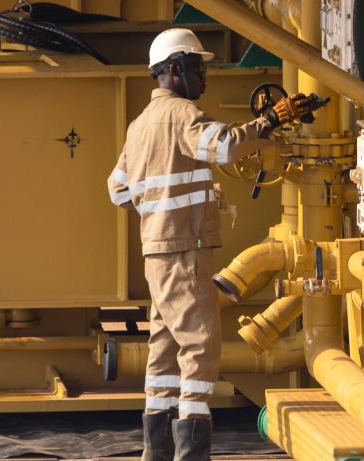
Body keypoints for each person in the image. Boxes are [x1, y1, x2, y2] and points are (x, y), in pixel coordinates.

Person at [106, 28, 326, 461]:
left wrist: (161, 206)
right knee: (199, 344)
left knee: (166, 346)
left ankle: (158, 450)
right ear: (174, 70)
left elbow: (117, 190)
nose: (204, 77)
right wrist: (270, 120)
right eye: (197, 68)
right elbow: (222, 146)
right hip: (185, 249)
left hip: (157, 250)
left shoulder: (139, 126)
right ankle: (191, 453)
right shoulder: (183, 115)